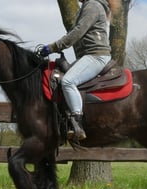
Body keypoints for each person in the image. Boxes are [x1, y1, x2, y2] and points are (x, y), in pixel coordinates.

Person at [40, 0, 112, 141]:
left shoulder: (92, 5)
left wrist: (54, 47)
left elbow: (78, 31)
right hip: (88, 56)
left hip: (96, 56)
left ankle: (77, 124)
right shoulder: (88, 6)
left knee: (68, 81)